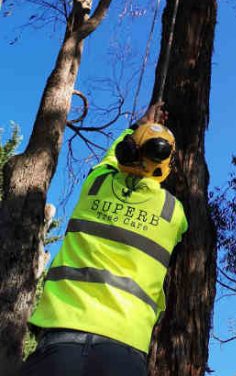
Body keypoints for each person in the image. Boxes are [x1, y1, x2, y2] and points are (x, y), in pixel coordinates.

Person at [21, 103, 188, 376]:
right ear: (166, 166)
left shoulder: (95, 184)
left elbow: (111, 160)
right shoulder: (173, 214)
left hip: (60, 339)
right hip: (125, 348)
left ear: (128, 151)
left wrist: (139, 124)